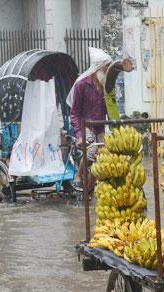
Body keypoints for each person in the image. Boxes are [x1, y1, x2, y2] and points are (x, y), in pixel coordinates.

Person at [68, 47, 112, 187]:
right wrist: (79, 135)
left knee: (105, 155)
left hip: (100, 126)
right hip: (85, 125)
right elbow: (74, 113)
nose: (108, 72)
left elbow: (111, 110)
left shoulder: (107, 86)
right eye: (106, 68)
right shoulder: (82, 85)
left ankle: (91, 185)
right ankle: (79, 175)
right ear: (98, 68)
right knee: (92, 151)